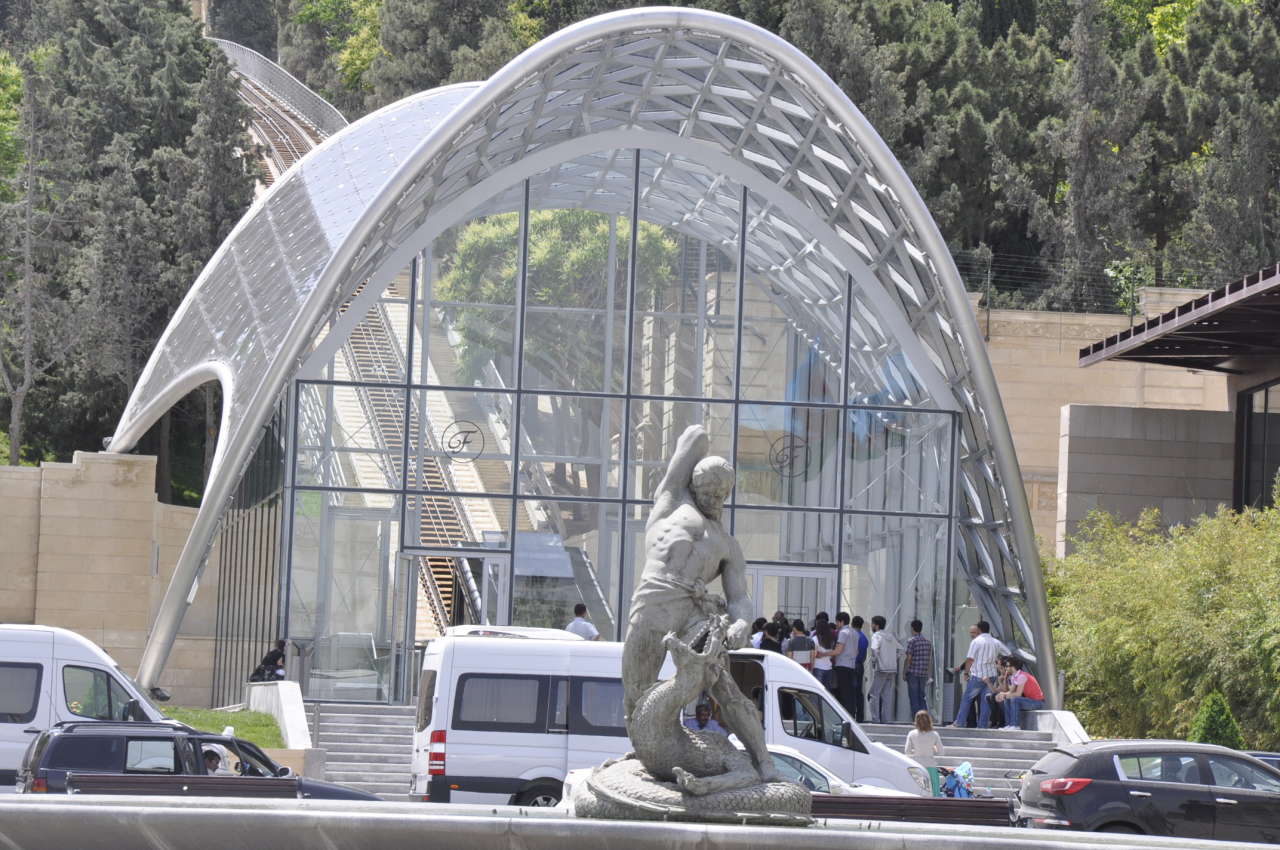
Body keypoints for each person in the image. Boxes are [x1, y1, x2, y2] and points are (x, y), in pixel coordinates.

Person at [620, 424, 777, 782]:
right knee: (636, 693)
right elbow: (692, 436)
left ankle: (764, 760)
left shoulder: (728, 544)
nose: (714, 500)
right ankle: (647, 752)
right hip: (654, 602)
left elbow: (739, 599)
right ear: (693, 484)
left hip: (696, 610)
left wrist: (740, 624)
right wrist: (708, 443)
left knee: (723, 685)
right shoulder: (671, 499)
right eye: (708, 491)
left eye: (722, 495)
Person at [951, 620, 1008, 729]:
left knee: (967, 698)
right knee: (985, 701)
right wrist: (999, 665)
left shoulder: (976, 641)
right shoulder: (996, 642)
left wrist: (966, 672)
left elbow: (970, 659)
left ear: (979, 630)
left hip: (978, 675)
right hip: (991, 675)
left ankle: (960, 722)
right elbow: (1008, 653)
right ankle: (982, 725)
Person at [831, 612, 868, 722]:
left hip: (842, 664)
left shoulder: (843, 633)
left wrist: (825, 654)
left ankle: (844, 716)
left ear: (841, 621)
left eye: (837, 622)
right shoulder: (860, 636)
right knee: (853, 692)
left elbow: (838, 650)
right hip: (855, 665)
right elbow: (858, 652)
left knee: (842, 692)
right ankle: (856, 716)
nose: (836, 624)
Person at [867, 615, 902, 723]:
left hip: (881, 669)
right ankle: (886, 720)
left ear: (876, 625)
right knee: (886, 695)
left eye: (872, 624)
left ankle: (875, 719)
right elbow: (901, 649)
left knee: (874, 694)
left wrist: (876, 660)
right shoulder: (890, 636)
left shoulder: (876, 636)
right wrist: (894, 659)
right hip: (892, 669)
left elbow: (874, 648)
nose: (871, 626)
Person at [996, 656, 1044, 729]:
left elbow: (1018, 694)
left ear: (1012, 667)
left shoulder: (1022, 676)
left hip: (1038, 702)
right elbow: (1011, 692)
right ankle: (1009, 725)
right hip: (1029, 701)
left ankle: (1015, 726)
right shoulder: (1014, 677)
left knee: (1015, 699)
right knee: (1007, 699)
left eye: (1007, 666)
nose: (1005, 668)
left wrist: (1005, 695)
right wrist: (1002, 694)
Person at [903, 710, 944, 795]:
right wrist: (933, 748)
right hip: (931, 766)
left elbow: (907, 752)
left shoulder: (911, 734)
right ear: (929, 720)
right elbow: (941, 752)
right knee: (934, 793)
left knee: (917, 792)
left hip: (917, 766)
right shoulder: (934, 734)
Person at [903, 619, 933, 717]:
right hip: (923, 673)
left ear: (912, 628)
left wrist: (905, 671)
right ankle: (925, 719)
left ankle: (916, 720)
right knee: (922, 696)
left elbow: (909, 658)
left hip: (913, 672)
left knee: (914, 697)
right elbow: (929, 660)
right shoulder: (927, 642)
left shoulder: (911, 641)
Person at [812, 621, 836, 691]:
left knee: (817, 690)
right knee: (827, 692)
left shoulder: (815, 639)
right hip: (829, 667)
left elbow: (813, 655)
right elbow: (832, 655)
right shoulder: (831, 640)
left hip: (817, 667)